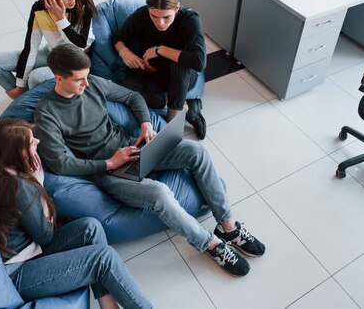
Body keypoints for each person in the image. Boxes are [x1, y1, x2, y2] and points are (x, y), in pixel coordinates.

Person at [34, 44, 266, 278]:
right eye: (79, 80)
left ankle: (228, 226)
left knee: (197, 151)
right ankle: (210, 244)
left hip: (134, 146)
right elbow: (60, 164)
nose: (86, 84)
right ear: (59, 78)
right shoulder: (46, 113)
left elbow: (133, 96)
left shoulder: (92, 83)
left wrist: (145, 123)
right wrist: (110, 164)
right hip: (108, 172)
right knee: (159, 192)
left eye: (86, 77)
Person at [0, 118, 152, 308]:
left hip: (27, 251)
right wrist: (38, 183)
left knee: (90, 226)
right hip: (17, 272)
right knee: (103, 258)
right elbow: (46, 235)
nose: (38, 142)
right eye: (32, 143)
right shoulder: (18, 187)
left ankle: (107, 303)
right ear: (17, 153)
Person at [0, 0, 97, 99]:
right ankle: (24, 100)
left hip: (74, 61)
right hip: (51, 53)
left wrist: (61, 18)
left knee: (35, 77)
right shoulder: (39, 9)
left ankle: (32, 102)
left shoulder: (83, 4)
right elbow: (31, 48)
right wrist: (20, 85)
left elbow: (79, 45)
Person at [113, 0, 207, 139]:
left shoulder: (190, 19)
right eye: (154, 16)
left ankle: (172, 126)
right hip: (153, 75)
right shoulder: (142, 15)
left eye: (166, 17)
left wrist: (160, 50)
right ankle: (187, 106)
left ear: (177, 8)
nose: (160, 23)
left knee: (180, 66)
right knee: (126, 88)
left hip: (182, 76)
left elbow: (199, 61)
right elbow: (118, 37)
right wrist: (124, 52)